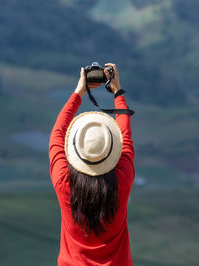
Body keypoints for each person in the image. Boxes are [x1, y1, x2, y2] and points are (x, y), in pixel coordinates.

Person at [49, 63, 135, 265]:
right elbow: (126, 135)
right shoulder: (122, 181)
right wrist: (117, 91)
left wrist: (79, 91)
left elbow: (56, 135)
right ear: (111, 149)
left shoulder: (64, 183)